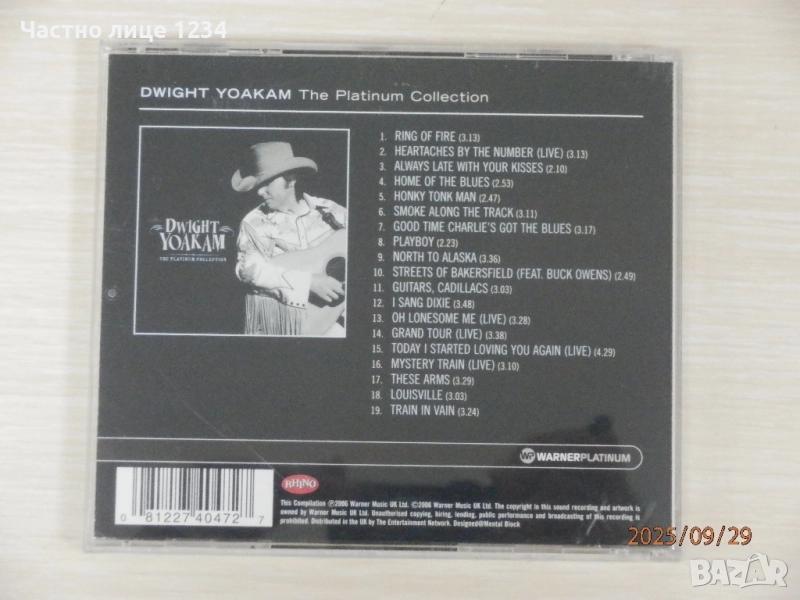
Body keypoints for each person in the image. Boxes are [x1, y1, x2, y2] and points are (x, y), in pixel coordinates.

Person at [232, 142, 347, 336]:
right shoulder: (254, 223)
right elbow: (247, 271)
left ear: (291, 179)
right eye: (258, 186)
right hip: (286, 324)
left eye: (267, 183)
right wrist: (309, 283)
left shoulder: (332, 211)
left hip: (337, 314)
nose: (260, 192)